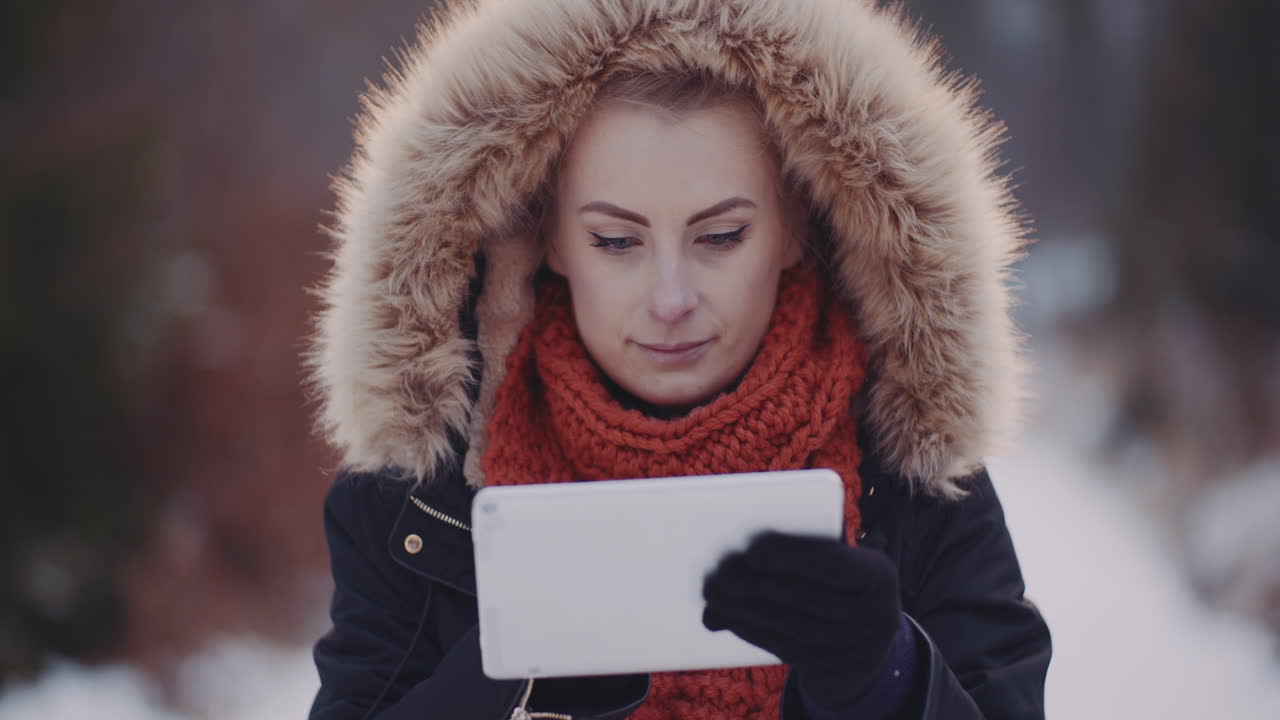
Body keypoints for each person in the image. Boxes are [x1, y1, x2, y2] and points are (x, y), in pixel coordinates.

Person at [306, 0, 1052, 718]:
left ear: (796, 226)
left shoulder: (913, 482)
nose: (670, 300)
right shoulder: (418, 495)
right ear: (551, 238)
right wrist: (505, 672)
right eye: (617, 241)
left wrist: (888, 680)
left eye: (721, 237)